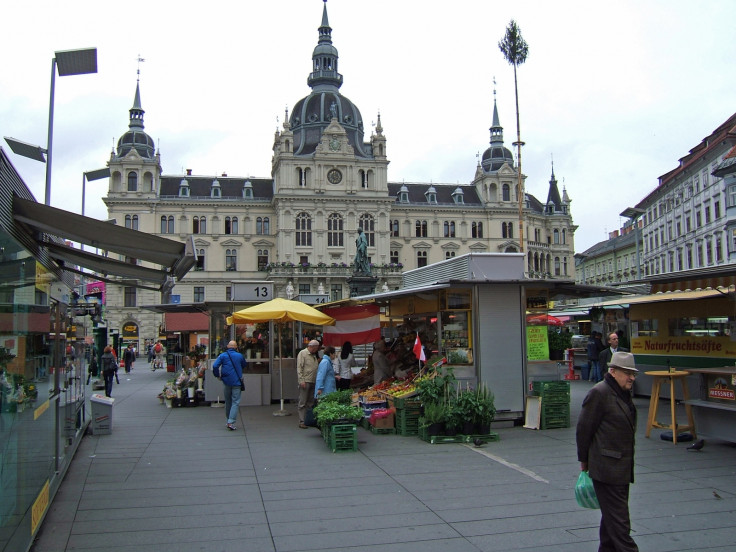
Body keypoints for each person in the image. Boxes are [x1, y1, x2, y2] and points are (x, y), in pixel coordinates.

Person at [576, 351, 639, 552]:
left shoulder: (623, 393)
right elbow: (584, 430)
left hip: (621, 469)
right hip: (606, 470)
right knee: (620, 528)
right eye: (627, 372)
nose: (631, 377)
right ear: (612, 371)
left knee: (611, 527)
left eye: (633, 373)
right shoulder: (600, 393)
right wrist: (584, 462)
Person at [212, 340, 247, 431]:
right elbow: (244, 365)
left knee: (228, 401)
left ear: (227, 346)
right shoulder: (239, 356)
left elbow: (215, 366)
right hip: (237, 382)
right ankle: (231, 421)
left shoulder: (223, 355)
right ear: (236, 347)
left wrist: (217, 375)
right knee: (235, 402)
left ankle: (228, 420)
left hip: (226, 381)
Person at [296, 340, 320, 429]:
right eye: (316, 348)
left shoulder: (313, 355)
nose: (317, 350)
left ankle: (308, 419)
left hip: (313, 381)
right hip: (305, 381)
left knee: (310, 402)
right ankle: (302, 421)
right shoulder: (303, 353)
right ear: (313, 347)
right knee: (303, 401)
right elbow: (299, 367)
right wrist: (301, 380)